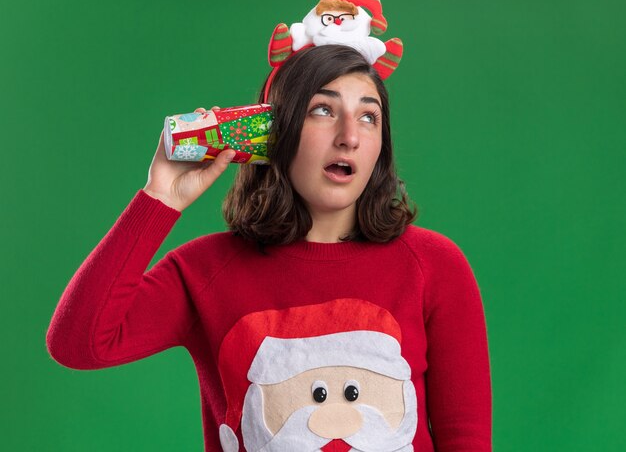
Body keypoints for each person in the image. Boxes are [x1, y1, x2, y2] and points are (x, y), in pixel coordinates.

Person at [47, 44, 492, 452]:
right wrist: (159, 199)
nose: (349, 136)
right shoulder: (206, 270)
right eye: (323, 110)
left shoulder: (433, 265)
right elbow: (78, 343)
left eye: (368, 116)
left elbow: (467, 439)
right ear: (271, 134)